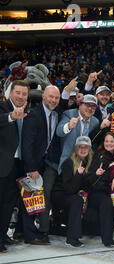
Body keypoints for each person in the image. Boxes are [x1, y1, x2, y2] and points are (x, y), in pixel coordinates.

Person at [21, 85, 61, 245]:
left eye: (56, 98)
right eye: (51, 96)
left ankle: (41, 231)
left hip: (49, 162)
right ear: (43, 96)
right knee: (30, 197)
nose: (53, 100)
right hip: (34, 163)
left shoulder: (56, 114)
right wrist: (31, 168)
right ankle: (29, 233)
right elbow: (27, 144)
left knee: (43, 195)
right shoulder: (33, 115)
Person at [0, 80, 29, 252]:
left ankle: (2, 235)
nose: (20, 96)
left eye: (24, 94)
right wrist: (12, 116)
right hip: (3, 164)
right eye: (18, 93)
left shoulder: (27, 110)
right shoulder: (3, 107)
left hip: (18, 165)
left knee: (9, 203)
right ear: (11, 93)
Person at [53, 136, 93, 248]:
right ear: (76, 149)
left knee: (81, 199)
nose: (83, 150)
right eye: (80, 147)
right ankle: (71, 239)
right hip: (60, 194)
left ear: (89, 149)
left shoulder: (89, 162)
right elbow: (69, 189)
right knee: (77, 200)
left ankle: (81, 231)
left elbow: (87, 184)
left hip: (74, 194)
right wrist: (79, 174)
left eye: (86, 147)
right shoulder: (68, 163)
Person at [85, 132, 114, 247]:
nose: (109, 144)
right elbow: (90, 178)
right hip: (96, 193)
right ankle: (107, 239)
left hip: (108, 191)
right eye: (106, 141)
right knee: (107, 202)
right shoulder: (100, 156)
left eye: (111, 141)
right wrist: (96, 174)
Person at [56, 94, 103, 173]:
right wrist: (69, 126)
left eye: (93, 106)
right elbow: (59, 132)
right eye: (87, 105)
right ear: (80, 105)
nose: (90, 108)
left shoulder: (95, 121)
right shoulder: (69, 114)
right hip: (68, 162)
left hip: (86, 164)